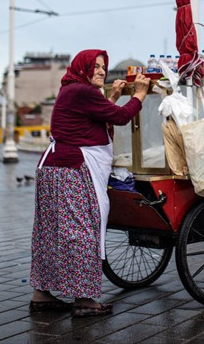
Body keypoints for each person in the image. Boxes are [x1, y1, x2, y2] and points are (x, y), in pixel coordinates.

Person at [29, 49, 150, 316]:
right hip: (71, 170)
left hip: (54, 168)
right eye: (94, 66)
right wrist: (140, 95)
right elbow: (118, 117)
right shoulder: (81, 92)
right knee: (82, 232)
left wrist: (114, 97)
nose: (101, 71)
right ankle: (84, 300)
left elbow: (96, 117)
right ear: (82, 68)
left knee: (50, 233)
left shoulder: (74, 90)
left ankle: (42, 294)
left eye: (103, 66)